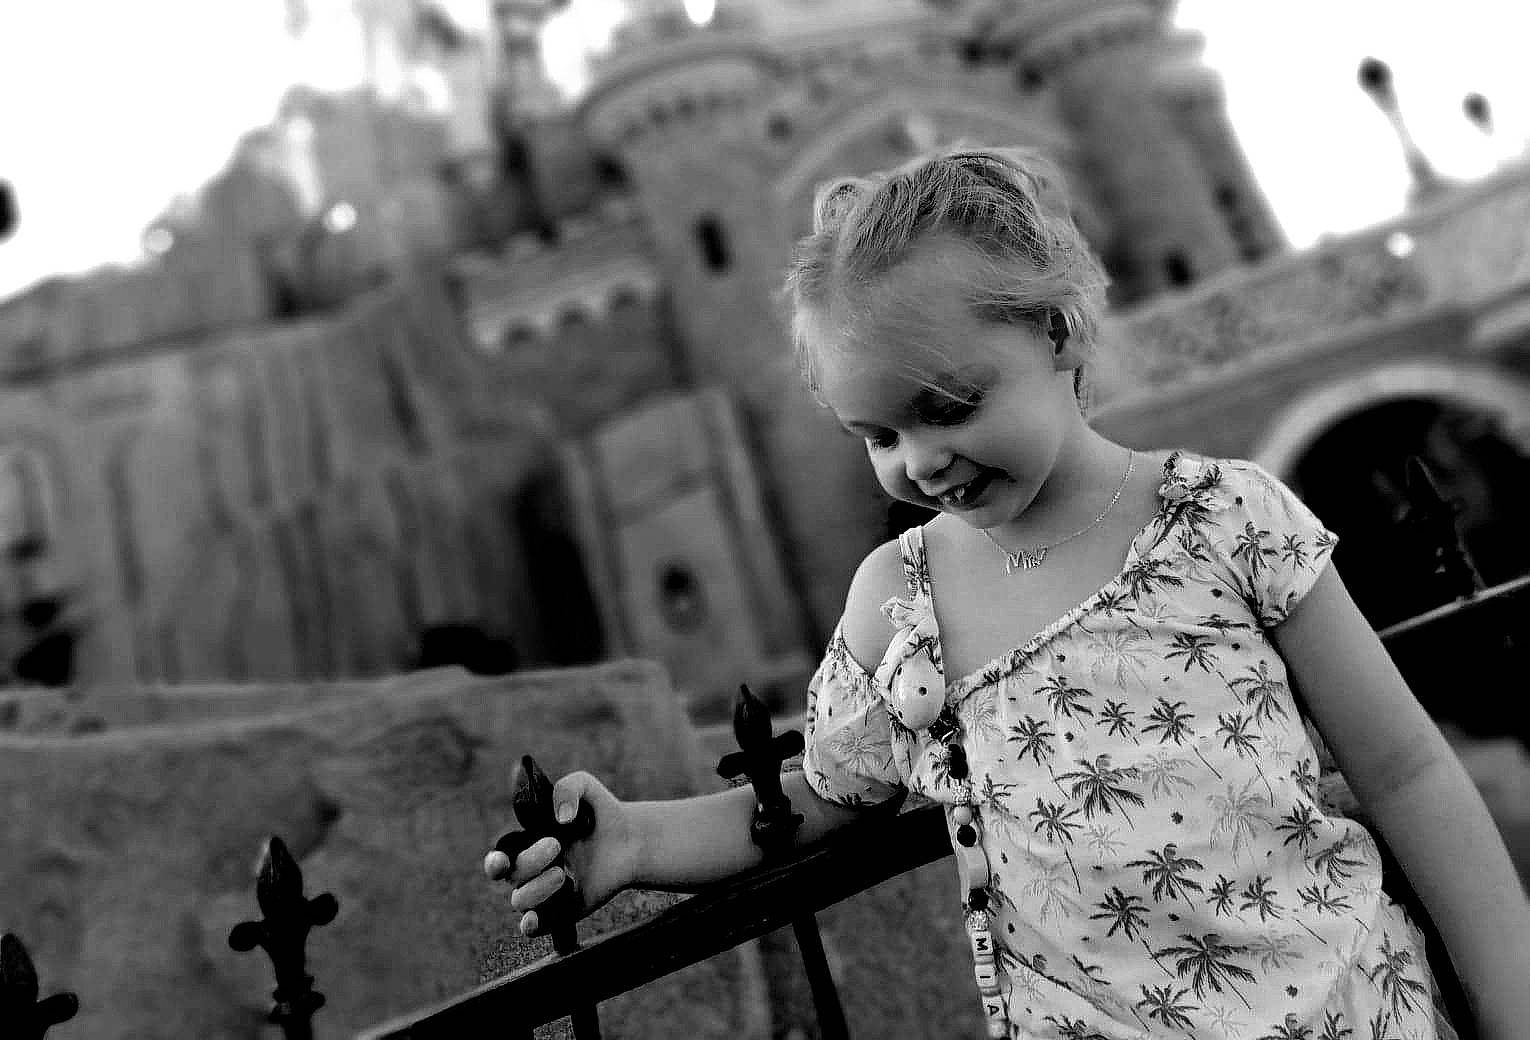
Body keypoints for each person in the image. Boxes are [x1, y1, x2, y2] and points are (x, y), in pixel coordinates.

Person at [489, 146, 1530, 1037]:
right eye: (879, 435)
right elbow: (816, 800)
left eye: (948, 405)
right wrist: (636, 841)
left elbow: (1402, 771)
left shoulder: (1224, 517)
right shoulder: (898, 599)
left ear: (1061, 332)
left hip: (1361, 1011)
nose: (921, 460)